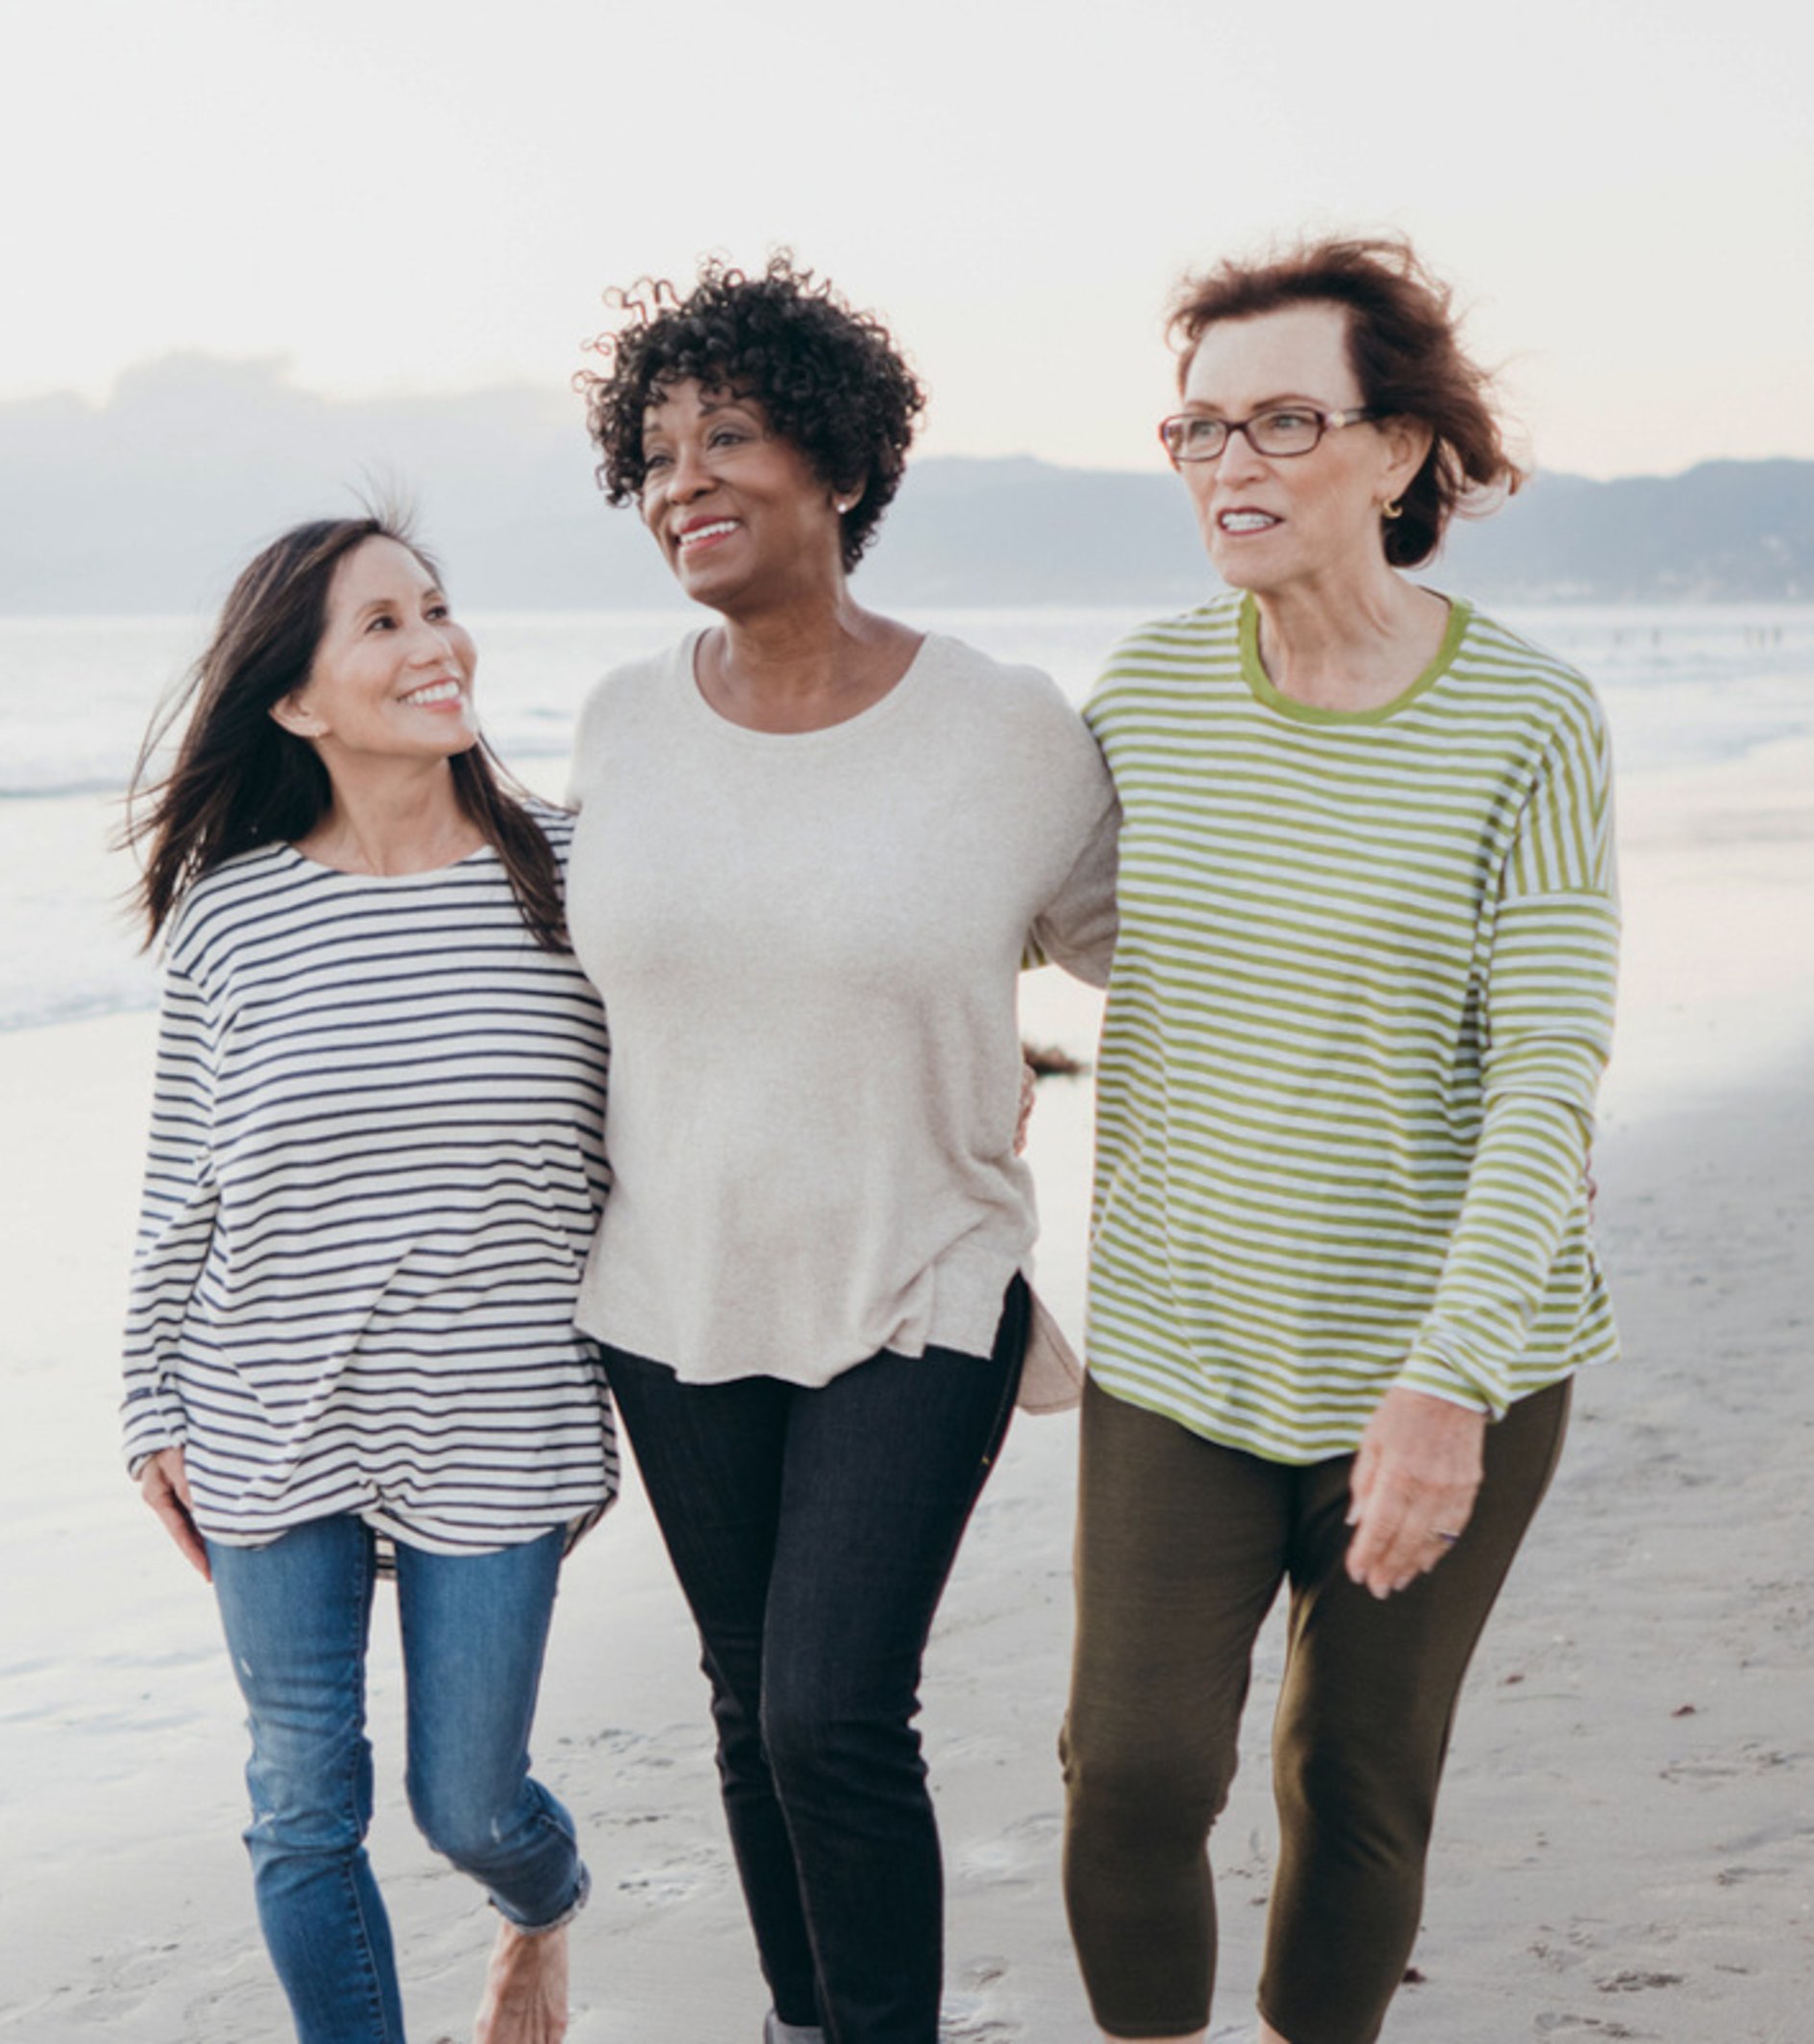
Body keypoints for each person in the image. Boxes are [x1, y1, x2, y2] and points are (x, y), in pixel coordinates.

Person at [1059, 235, 1617, 2044]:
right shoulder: (1141, 698)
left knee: (1355, 1773)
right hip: (1182, 1339)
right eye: (1199, 425)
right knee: (1132, 1771)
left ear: (1399, 453)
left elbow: (1549, 1070)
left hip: (1448, 1359)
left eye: (1285, 419)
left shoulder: (1529, 720)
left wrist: (1447, 1387)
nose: (1232, 463)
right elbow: (946, 925)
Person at [563, 255, 1119, 2044]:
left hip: (917, 1275)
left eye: (726, 434)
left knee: (827, 1711)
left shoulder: (1005, 729)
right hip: (672, 1289)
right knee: (747, 1702)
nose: (682, 481)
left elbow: (1169, 959)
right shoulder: (621, 723)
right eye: (652, 452)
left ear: (843, 467)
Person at [117, 510, 615, 2044]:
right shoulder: (233, 916)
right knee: (300, 1801)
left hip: (501, 1403)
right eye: (383, 625)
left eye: (439, 608)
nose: (436, 645)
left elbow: (753, 1018)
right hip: (269, 1402)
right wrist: (147, 1406)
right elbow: (178, 1184)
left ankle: (543, 1904)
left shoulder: (577, 875)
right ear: (296, 701)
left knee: (466, 1797)